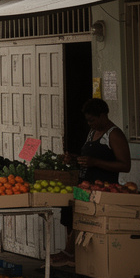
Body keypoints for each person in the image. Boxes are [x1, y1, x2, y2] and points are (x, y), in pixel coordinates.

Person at [56, 98, 132, 263]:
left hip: (102, 191)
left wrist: (95, 162)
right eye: (88, 120)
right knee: (72, 214)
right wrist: (75, 159)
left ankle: (73, 255)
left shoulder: (114, 134)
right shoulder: (92, 132)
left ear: (103, 116)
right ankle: (71, 253)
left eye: (92, 120)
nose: (90, 124)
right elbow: (89, 158)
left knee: (86, 219)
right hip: (84, 186)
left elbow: (125, 165)